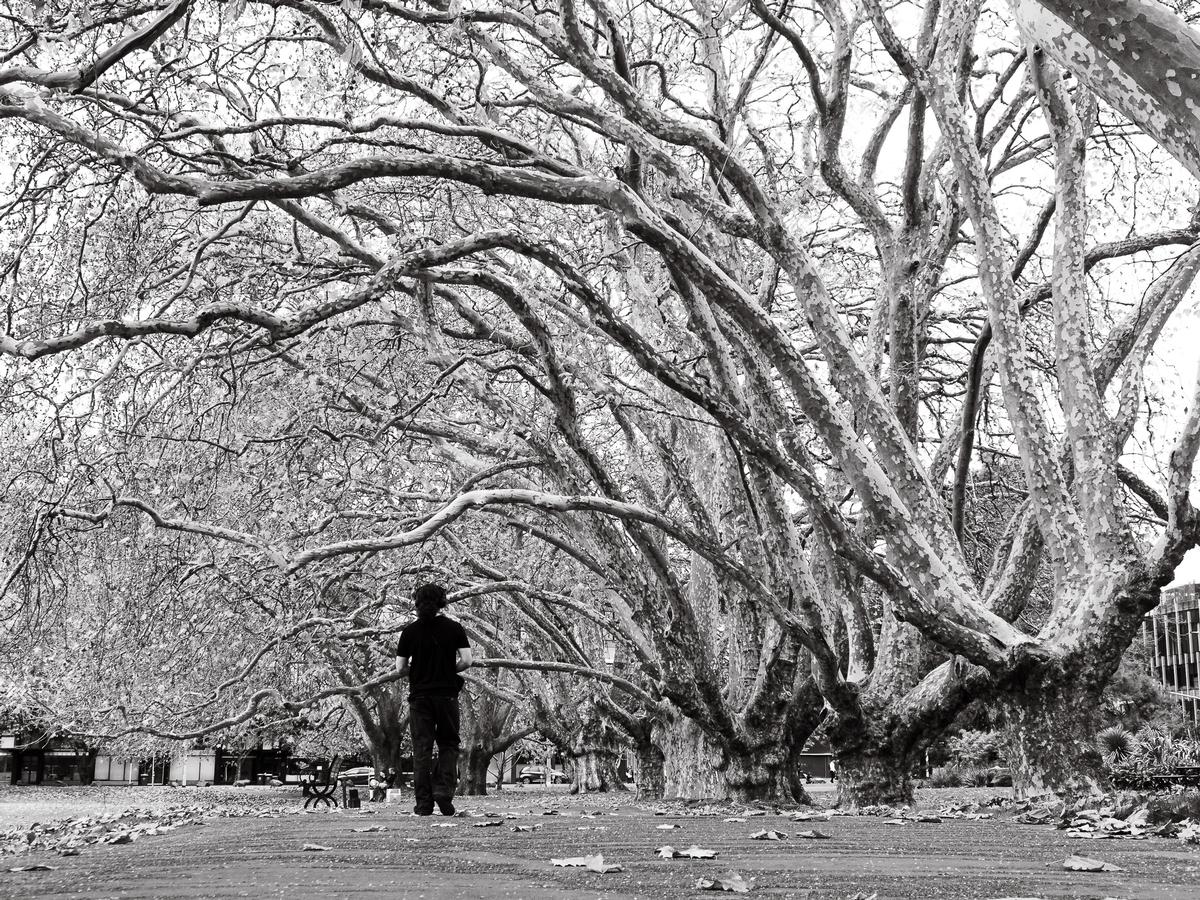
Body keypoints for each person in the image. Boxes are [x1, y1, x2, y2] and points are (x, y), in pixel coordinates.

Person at [395, 582, 473, 816]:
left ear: (417, 604)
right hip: (447, 695)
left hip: (420, 697)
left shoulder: (409, 632)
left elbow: (400, 667)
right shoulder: (454, 628)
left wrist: (419, 673)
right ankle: (443, 790)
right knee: (449, 744)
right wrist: (448, 670)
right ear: (442, 602)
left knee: (422, 749)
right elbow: (467, 661)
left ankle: (423, 804)